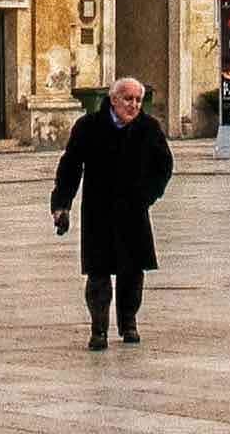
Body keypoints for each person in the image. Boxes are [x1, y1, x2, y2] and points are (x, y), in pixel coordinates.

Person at [50, 75, 173, 350]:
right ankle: (99, 330)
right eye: (128, 99)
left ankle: (129, 323)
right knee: (98, 273)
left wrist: (148, 194)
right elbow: (70, 166)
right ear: (113, 100)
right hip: (99, 209)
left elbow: (164, 165)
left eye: (138, 100)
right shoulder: (89, 126)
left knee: (133, 272)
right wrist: (61, 205)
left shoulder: (149, 128)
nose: (134, 105)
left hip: (134, 209)